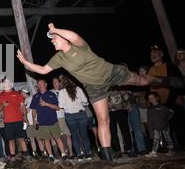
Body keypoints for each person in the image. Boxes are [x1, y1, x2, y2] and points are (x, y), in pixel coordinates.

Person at [16, 23, 183, 161]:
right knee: (103, 120)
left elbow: (74, 36)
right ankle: (108, 159)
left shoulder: (80, 46)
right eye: (52, 39)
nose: (52, 41)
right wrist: (24, 61)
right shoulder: (58, 58)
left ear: (63, 38)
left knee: (141, 81)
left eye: (54, 39)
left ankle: (163, 80)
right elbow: (43, 70)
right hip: (94, 87)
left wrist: (55, 30)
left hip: (110, 72)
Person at [149, 46, 185, 150]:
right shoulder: (150, 70)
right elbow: (149, 86)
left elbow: (179, 81)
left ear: (161, 55)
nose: (153, 55)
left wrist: (179, 95)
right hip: (159, 102)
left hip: (172, 98)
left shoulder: (170, 66)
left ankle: (183, 143)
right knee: (163, 125)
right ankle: (170, 146)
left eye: (155, 53)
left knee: (178, 121)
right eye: (151, 54)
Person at [30, 79, 67, 161]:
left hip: (53, 121)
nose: (40, 85)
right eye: (38, 84)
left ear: (45, 84)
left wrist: (46, 104)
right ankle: (50, 156)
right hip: (42, 122)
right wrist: (34, 120)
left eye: (41, 84)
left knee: (57, 138)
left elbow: (57, 107)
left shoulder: (51, 94)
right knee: (46, 139)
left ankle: (63, 154)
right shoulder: (35, 96)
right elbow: (33, 109)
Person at [58, 75, 92, 160]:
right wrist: (80, 104)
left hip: (69, 116)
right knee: (84, 135)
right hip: (81, 114)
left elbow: (61, 105)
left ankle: (79, 155)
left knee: (75, 135)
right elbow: (85, 102)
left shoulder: (62, 92)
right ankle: (88, 153)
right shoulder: (78, 89)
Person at [0, 78, 30, 161]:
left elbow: (22, 106)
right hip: (8, 121)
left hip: (19, 120)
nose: (6, 84)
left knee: (21, 138)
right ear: (3, 85)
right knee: (11, 140)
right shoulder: (0, 96)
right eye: (4, 83)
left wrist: (25, 118)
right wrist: (3, 105)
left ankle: (27, 155)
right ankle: (13, 156)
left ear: (11, 83)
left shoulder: (17, 94)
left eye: (7, 82)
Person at [145, 92, 175, 157]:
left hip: (165, 127)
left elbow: (171, 112)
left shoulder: (163, 107)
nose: (151, 99)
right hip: (156, 127)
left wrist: (166, 120)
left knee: (168, 138)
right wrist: (151, 130)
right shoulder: (149, 110)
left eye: (152, 98)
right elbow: (149, 121)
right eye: (149, 98)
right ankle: (154, 152)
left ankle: (171, 150)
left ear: (157, 98)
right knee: (155, 139)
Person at [51, 77, 73, 156]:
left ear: (60, 83)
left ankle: (71, 153)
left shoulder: (65, 91)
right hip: (56, 117)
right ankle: (63, 152)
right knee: (59, 135)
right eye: (53, 82)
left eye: (56, 81)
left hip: (67, 115)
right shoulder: (50, 92)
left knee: (68, 134)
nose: (55, 83)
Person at [21, 89, 45, 158]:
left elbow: (29, 110)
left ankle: (43, 152)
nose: (22, 94)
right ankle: (35, 153)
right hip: (28, 123)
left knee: (38, 138)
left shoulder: (31, 98)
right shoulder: (24, 101)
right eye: (21, 93)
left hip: (35, 121)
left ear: (26, 93)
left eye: (22, 93)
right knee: (31, 139)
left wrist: (24, 110)